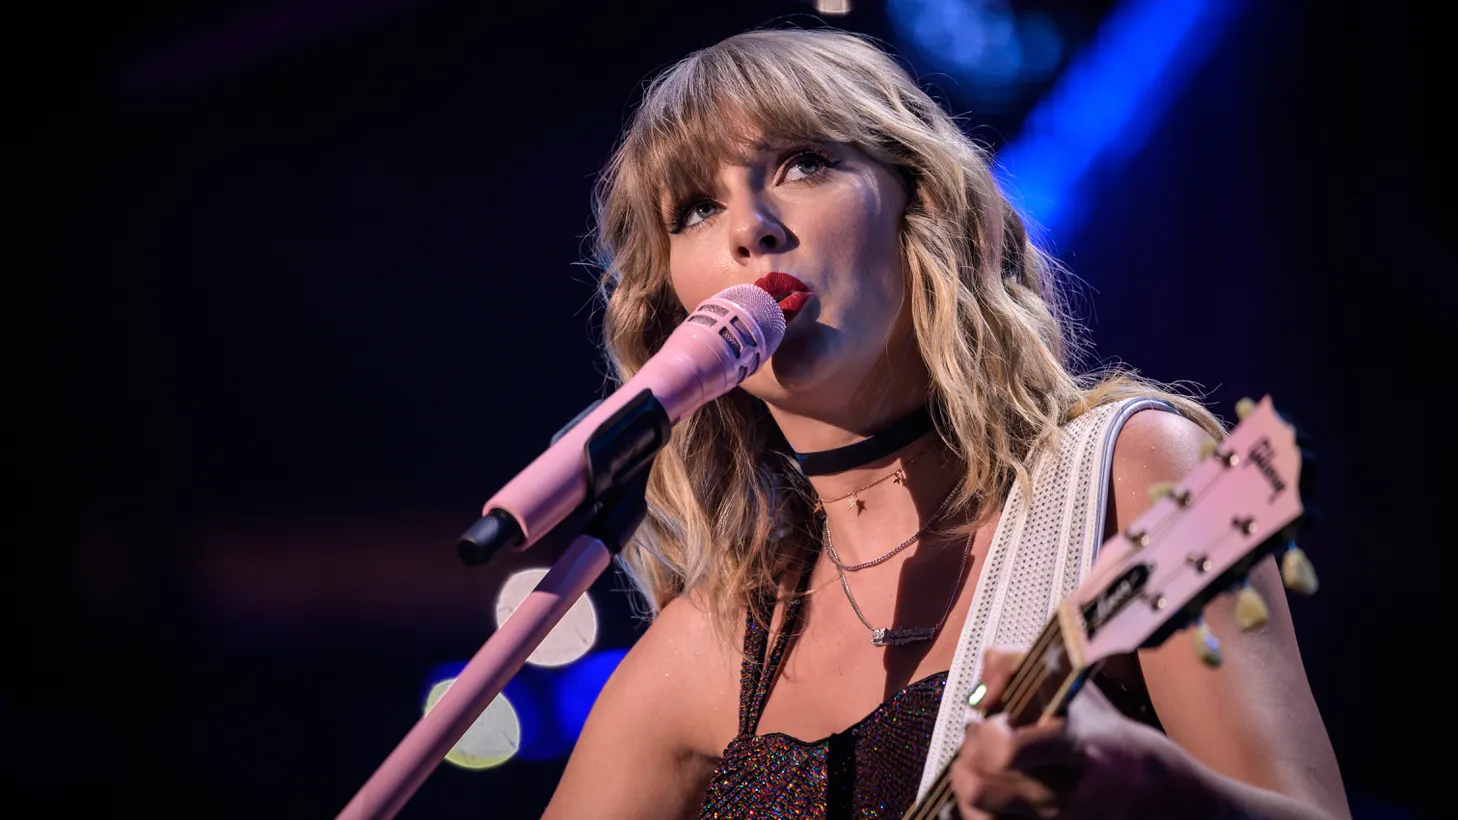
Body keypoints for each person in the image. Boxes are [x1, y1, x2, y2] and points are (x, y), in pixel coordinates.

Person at [542, 26, 1349, 820]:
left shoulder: (1128, 474)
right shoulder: (712, 643)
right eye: (694, 210)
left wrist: (1159, 794)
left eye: (804, 163)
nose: (750, 227)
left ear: (921, 207)